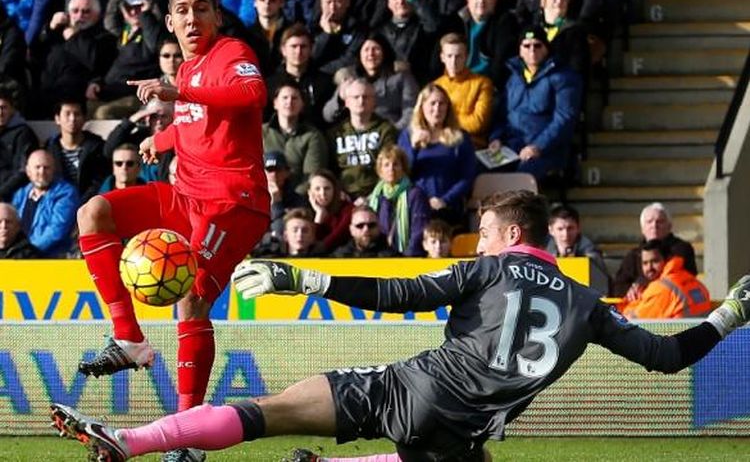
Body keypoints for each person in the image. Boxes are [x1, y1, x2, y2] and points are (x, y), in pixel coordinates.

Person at [51, 189, 750, 462]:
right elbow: (666, 358)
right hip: (470, 427)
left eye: (484, 231)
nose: (480, 240)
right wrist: (726, 316)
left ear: (510, 232)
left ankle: (129, 440)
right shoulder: (588, 304)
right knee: (451, 459)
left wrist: (306, 277)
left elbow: (400, 290)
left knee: (267, 411)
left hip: (415, 389)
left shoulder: (491, 269)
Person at [74, 0, 270, 462]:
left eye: (201, 8)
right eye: (182, 11)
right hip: (186, 197)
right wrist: (159, 140)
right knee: (93, 213)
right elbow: (195, 126)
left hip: (233, 201)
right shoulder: (185, 73)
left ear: (216, 16)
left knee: (191, 299)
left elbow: (251, 98)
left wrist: (178, 96)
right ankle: (129, 337)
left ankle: (186, 439)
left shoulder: (232, 55)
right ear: (169, 21)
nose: (192, 18)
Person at [487, 26, 582, 182]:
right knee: (480, 169)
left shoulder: (563, 77)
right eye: (527, 45)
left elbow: (564, 118)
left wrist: (538, 146)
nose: (532, 50)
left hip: (547, 150)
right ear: (520, 50)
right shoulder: (513, 79)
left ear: (546, 48)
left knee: (521, 177)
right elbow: (502, 116)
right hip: (511, 146)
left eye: (537, 45)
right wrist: (495, 138)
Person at [398, 83, 476, 227]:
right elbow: (401, 174)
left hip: (449, 207)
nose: (437, 109)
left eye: (442, 104)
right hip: (415, 207)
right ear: (422, 106)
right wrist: (413, 149)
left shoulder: (460, 137)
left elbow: (467, 176)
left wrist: (445, 200)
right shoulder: (408, 136)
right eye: (432, 103)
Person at [38, 0, 118, 117]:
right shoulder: (59, 33)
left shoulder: (105, 38)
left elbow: (94, 61)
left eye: (86, 12)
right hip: (47, 95)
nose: (79, 15)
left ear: (97, 15)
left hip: (76, 100)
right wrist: (50, 28)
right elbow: (36, 52)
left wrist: (74, 38)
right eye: (75, 11)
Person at [323, 33, 419, 130]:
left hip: (391, 135)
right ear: (359, 54)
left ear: (384, 52)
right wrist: (339, 98)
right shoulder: (350, 80)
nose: (371, 54)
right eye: (366, 50)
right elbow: (328, 116)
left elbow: (411, 112)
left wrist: (391, 132)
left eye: (376, 49)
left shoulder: (402, 78)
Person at [326, 78, 398, 200]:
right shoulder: (335, 133)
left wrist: (373, 196)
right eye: (356, 97)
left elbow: (389, 168)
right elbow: (329, 169)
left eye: (366, 97)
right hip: (341, 197)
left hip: (378, 195)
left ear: (374, 101)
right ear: (347, 102)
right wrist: (338, 194)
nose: (361, 101)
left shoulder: (386, 130)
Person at [613, 202, 698, 298]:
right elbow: (618, 287)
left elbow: (685, 278)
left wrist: (646, 283)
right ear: (642, 229)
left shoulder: (682, 249)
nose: (654, 225)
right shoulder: (633, 255)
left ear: (669, 226)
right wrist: (630, 290)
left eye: (660, 221)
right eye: (649, 222)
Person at [262, 82, 329, 195]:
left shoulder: (312, 136)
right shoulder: (261, 133)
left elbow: (312, 175)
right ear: (275, 103)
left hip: (300, 201)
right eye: (285, 98)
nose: (289, 102)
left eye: (294, 98)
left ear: (302, 104)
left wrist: (294, 200)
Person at [11, 149, 80, 258]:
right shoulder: (20, 194)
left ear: (54, 170)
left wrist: (27, 252)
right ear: (28, 171)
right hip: (20, 256)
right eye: (37, 167)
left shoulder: (66, 193)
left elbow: (56, 232)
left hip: (52, 258)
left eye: (46, 167)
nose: (42, 172)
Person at [265, 24, 335, 127]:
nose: (298, 52)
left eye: (303, 47)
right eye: (293, 46)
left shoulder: (324, 82)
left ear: (311, 49)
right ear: (283, 50)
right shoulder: (270, 84)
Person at [621, 240, 711, 320]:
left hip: (679, 336)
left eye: (655, 261)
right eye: (645, 263)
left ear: (667, 259)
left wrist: (630, 303)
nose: (649, 268)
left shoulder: (661, 289)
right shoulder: (691, 281)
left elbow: (632, 321)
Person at [433, 33, 493, 149]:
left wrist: (444, 121)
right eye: (449, 56)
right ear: (442, 57)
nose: (453, 61)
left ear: (466, 57)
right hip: (439, 141)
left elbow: (478, 123)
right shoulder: (436, 86)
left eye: (458, 56)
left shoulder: (482, 83)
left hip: (470, 144)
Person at [455, 0, 518, 87]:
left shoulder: (505, 23)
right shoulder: (456, 22)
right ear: (468, 0)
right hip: (458, 82)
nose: (481, 1)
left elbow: (501, 64)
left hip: (487, 85)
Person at [368, 145, 430, 257]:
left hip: (408, 257)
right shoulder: (376, 195)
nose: (391, 169)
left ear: (403, 168)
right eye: (386, 165)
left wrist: (407, 257)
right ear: (380, 170)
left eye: (395, 164)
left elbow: (419, 230)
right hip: (381, 256)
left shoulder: (415, 194)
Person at [45, 99, 109, 204]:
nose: (72, 119)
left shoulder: (97, 147)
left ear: (85, 118)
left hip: (89, 204)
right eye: (67, 114)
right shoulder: (49, 148)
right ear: (57, 119)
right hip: (58, 204)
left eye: (77, 114)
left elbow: (99, 181)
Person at [103, 97, 176, 183]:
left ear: (173, 118)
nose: (158, 121)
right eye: (154, 116)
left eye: (163, 116)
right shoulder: (140, 136)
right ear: (146, 118)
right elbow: (109, 150)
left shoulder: (177, 140)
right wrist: (130, 121)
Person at [545, 203, 609, 294]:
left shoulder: (592, 254)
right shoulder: (543, 252)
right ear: (551, 230)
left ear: (578, 228)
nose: (565, 234)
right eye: (560, 229)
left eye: (570, 228)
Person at [536, 0, 589, 76]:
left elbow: (578, 66)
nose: (559, 1)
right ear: (543, 2)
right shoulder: (533, 29)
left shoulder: (575, 31)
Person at [0, 85, 38, 202]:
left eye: (3, 107)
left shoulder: (23, 133)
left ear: (12, 109)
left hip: (12, 196)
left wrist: (1, 193)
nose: (0, 112)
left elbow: (23, 172)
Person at [307, 169, 353, 253]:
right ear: (310, 192)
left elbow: (334, 239)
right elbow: (309, 242)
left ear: (334, 190)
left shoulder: (348, 210)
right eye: (317, 189)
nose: (323, 193)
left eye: (327, 188)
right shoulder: (305, 211)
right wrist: (319, 215)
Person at [331, 204, 399, 257]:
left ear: (379, 227)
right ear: (351, 230)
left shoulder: (395, 260)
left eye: (371, 225)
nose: (366, 229)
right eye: (360, 225)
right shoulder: (338, 258)